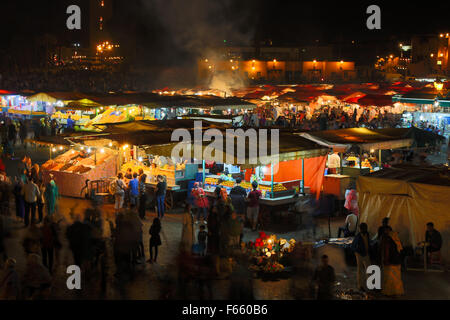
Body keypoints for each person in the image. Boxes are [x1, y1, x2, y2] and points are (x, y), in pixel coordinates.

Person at [379, 227, 404, 296]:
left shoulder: (388, 239)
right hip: (396, 261)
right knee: (396, 277)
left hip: (391, 261)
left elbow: (386, 251)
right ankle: (397, 291)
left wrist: (385, 260)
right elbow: (400, 250)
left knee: (389, 277)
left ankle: (390, 292)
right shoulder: (396, 239)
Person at [351, 223, 371, 291]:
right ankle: (360, 286)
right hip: (360, 255)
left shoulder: (366, 234)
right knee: (360, 270)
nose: (360, 230)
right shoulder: (358, 236)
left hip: (366, 254)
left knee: (367, 269)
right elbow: (352, 246)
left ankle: (369, 284)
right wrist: (358, 252)